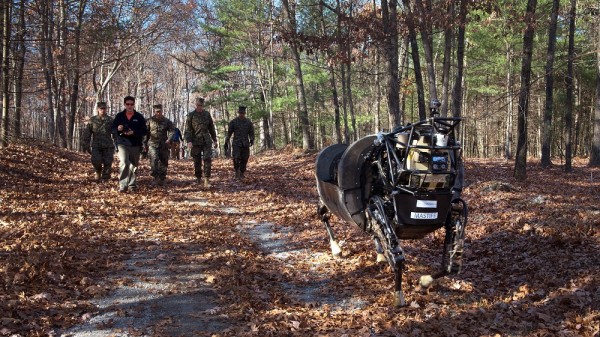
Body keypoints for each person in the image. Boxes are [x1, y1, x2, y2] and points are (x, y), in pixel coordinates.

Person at [112, 96, 147, 192]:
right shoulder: (119, 116)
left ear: (134, 104)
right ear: (124, 104)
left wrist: (134, 132)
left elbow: (144, 131)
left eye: (131, 104)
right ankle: (123, 185)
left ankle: (132, 185)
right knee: (124, 162)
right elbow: (112, 129)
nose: (129, 106)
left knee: (133, 165)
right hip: (122, 143)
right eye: (127, 104)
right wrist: (118, 129)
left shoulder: (139, 117)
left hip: (135, 144)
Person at [184, 97, 218, 187]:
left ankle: (207, 179)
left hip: (206, 140)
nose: (200, 107)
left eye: (201, 106)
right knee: (197, 161)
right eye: (198, 105)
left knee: (207, 159)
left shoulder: (207, 114)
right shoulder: (191, 115)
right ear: (196, 105)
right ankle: (198, 178)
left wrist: (215, 140)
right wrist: (189, 141)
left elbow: (211, 128)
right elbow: (188, 130)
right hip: (195, 141)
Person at [82, 102, 115, 181]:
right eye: (101, 108)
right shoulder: (92, 120)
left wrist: (118, 144)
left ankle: (105, 178)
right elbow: (87, 133)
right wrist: (86, 145)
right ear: (98, 109)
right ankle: (98, 171)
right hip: (96, 145)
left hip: (108, 145)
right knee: (96, 160)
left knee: (108, 162)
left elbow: (115, 133)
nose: (103, 110)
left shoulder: (110, 120)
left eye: (104, 108)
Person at [145, 104, 175, 186]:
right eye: (156, 112)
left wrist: (169, 139)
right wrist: (144, 143)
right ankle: (155, 177)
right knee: (154, 159)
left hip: (163, 144)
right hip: (152, 144)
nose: (158, 113)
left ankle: (162, 178)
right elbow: (145, 133)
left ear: (162, 111)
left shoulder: (167, 121)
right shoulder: (149, 121)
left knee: (163, 161)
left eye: (159, 111)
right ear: (154, 112)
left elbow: (172, 130)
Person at [224, 106, 255, 179]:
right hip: (236, 144)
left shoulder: (248, 122)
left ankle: (242, 172)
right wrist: (226, 142)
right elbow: (229, 133)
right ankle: (237, 171)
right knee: (236, 158)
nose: (242, 114)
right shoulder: (233, 122)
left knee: (245, 158)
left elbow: (251, 133)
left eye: (243, 113)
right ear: (238, 113)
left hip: (245, 144)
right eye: (240, 113)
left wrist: (252, 139)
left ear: (245, 113)